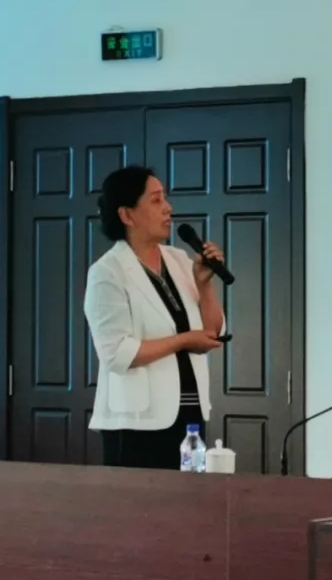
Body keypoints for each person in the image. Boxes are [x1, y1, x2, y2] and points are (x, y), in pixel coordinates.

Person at [84, 165, 226, 469]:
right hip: (137, 424)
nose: (168, 207)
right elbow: (117, 354)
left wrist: (204, 284)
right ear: (127, 215)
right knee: (141, 501)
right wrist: (183, 340)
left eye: (165, 198)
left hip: (190, 418)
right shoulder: (107, 272)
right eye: (156, 200)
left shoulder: (179, 259)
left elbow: (212, 333)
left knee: (191, 499)